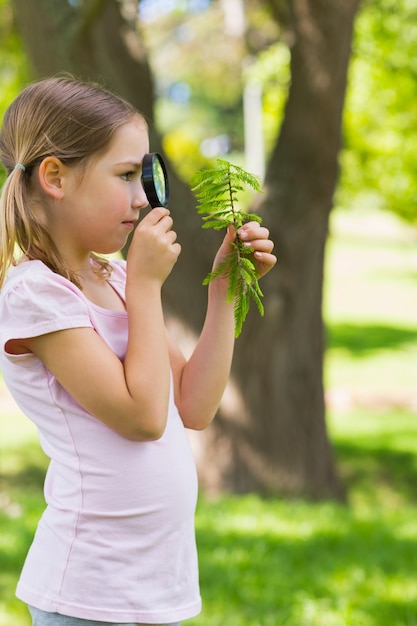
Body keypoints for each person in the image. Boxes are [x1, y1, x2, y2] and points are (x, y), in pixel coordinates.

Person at [0, 76, 276, 626]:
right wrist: (148, 288)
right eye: (126, 175)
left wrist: (223, 293)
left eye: (146, 175)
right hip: (87, 591)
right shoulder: (36, 294)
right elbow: (143, 418)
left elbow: (191, 406)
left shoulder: (120, 278)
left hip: (154, 587)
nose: (144, 197)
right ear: (55, 176)